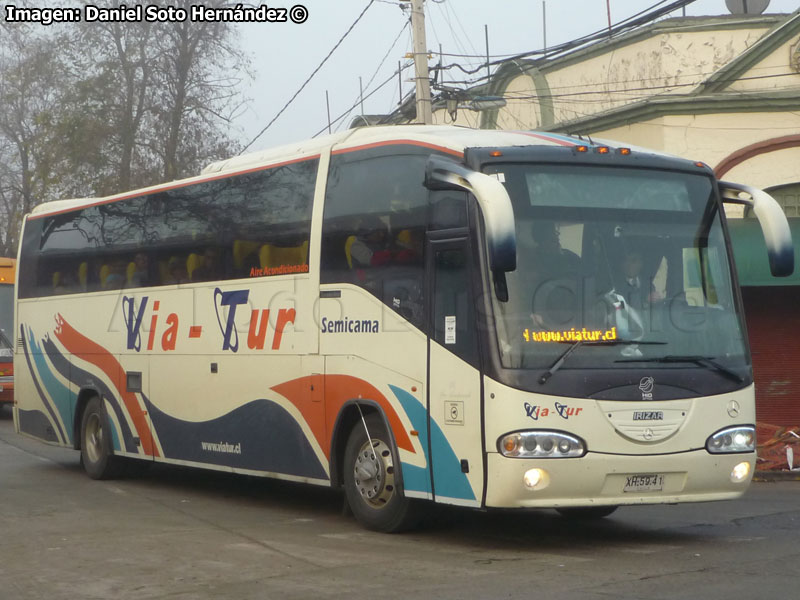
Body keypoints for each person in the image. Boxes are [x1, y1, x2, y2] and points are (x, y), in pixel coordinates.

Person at [528, 220, 582, 329]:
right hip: (545, 318)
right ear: (540, 240)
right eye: (551, 236)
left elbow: (587, 276)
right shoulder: (532, 261)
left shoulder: (570, 257)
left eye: (556, 235)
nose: (557, 239)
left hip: (578, 315)